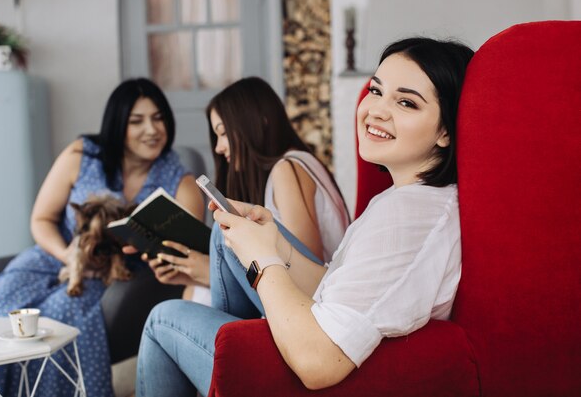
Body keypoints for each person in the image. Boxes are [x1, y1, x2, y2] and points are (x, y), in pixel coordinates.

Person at [134, 37, 474, 396]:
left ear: (445, 131)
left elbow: (317, 362)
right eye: (376, 91)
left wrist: (262, 259)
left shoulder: (408, 218)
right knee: (226, 235)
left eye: (406, 102)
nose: (376, 110)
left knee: (163, 319)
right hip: (317, 339)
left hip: (315, 370)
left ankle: (235, 368)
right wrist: (274, 241)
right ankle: (235, 361)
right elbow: (334, 287)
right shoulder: (402, 199)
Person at [0, 78, 204, 397]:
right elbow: (41, 219)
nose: (152, 130)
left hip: (112, 276)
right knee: (3, 302)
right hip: (51, 258)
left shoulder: (180, 182)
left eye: (158, 118)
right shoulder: (82, 155)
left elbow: (184, 250)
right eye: (137, 121)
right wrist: (67, 255)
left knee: (61, 315)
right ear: (116, 125)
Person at [142, 77, 350, 311]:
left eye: (223, 133)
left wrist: (209, 271)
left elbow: (305, 276)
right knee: (188, 295)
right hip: (301, 302)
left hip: (316, 307)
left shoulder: (288, 169)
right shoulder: (290, 167)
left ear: (257, 123)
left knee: (169, 311)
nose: (219, 148)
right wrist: (197, 274)